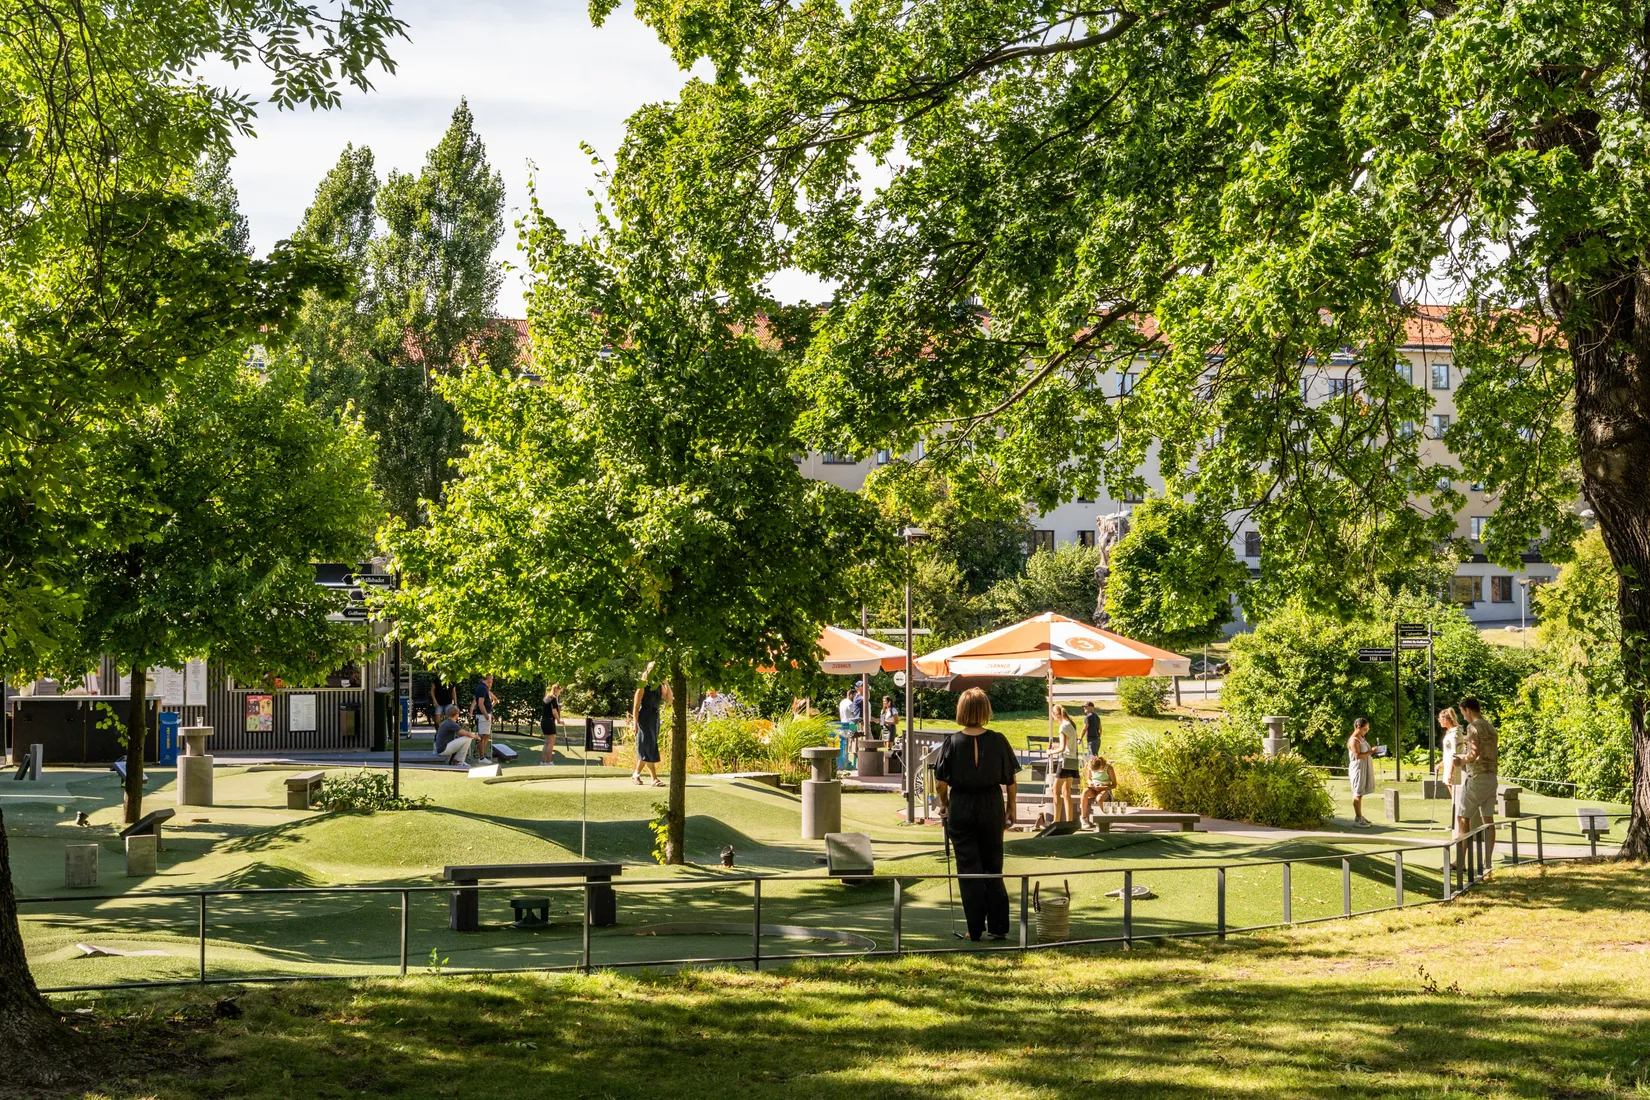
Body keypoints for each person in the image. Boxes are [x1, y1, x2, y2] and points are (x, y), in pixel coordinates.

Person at [933, 688, 1020, 941]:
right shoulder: (998, 740)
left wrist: (946, 803)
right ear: (985, 711)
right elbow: (1010, 780)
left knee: (968, 868)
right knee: (993, 865)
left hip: (961, 803)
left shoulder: (951, 742)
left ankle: (974, 929)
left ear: (961, 710)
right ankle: (999, 927)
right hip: (991, 803)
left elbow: (941, 782)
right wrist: (1010, 808)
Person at [1456, 697, 1499, 863]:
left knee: (1462, 817)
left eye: (1463, 712)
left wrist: (1460, 761)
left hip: (1478, 777)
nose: (1464, 717)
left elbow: (1474, 754)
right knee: (1488, 820)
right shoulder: (1491, 728)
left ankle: (1460, 861)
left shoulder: (1473, 727)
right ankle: (1487, 860)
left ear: (1468, 709)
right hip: (1491, 777)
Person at [632, 664, 670, 787]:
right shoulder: (642, 685)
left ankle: (636, 774)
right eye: (652, 670)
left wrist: (666, 683)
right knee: (648, 747)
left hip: (655, 717)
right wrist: (635, 723)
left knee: (649, 746)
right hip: (644, 717)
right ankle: (654, 778)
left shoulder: (658, 685)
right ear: (647, 671)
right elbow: (636, 707)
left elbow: (670, 698)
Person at [1049, 705, 1080, 823]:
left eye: (1054, 717)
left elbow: (1062, 749)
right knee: (1066, 792)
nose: (1055, 720)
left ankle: (1056, 821)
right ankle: (1069, 821)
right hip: (1073, 760)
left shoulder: (1063, 727)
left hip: (1065, 761)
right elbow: (1069, 745)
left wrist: (1051, 751)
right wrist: (1057, 747)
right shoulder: (1071, 725)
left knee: (1055, 790)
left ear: (1057, 715)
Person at [1347, 717, 1375, 827]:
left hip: (1364, 767)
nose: (1366, 731)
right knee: (1357, 792)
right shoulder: (1354, 740)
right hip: (1358, 768)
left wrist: (1372, 751)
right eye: (1365, 729)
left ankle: (1360, 816)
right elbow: (1357, 755)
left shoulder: (1361, 738)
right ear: (1358, 727)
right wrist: (1370, 752)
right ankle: (1357, 818)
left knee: (1361, 792)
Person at [1080, 756, 1118, 824]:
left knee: (1099, 798)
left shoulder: (1109, 768)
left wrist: (1102, 788)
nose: (1093, 772)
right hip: (1094, 787)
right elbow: (1089, 778)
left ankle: (1108, 819)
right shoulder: (1091, 766)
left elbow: (1114, 785)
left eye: (1095, 771)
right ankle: (1083, 818)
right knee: (1084, 792)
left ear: (1100, 767)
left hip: (1105, 789)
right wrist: (1090, 783)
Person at [471, 674, 496, 757]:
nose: (492, 680)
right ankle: (481, 756)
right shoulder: (482, 688)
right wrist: (486, 715)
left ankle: (482, 755)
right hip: (482, 716)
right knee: (482, 736)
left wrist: (489, 713)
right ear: (488, 678)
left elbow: (487, 703)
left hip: (486, 714)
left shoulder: (484, 688)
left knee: (486, 735)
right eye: (492, 678)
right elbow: (480, 704)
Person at [540, 684, 563, 765]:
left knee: (547, 742)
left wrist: (558, 706)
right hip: (549, 721)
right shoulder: (553, 698)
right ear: (557, 690)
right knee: (551, 742)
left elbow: (549, 708)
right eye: (560, 691)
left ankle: (543, 762)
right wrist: (559, 721)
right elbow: (554, 712)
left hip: (543, 721)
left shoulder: (546, 697)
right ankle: (548, 762)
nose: (560, 693)